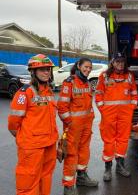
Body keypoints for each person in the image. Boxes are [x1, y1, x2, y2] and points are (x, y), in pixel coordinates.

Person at [8, 54, 58, 195]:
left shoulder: (48, 92)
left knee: (45, 178)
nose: (46, 72)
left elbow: (50, 119)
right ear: (33, 72)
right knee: (28, 183)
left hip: (49, 144)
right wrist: (26, 138)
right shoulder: (25, 93)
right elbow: (13, 124)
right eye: (42, 69)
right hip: (32, 147)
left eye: (48, 69)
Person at [57, 58, 98, 195]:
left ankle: (81, 177)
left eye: (90, 68)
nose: (88, 70)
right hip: (73, 126)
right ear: (79, 66)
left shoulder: (87, 83)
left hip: (86, 125)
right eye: (86, 67)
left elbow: (88, 105)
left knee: (84, 150)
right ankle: (68, 185)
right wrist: (70, 123)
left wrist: (91, 118)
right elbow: (62, 108)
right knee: (71, 153)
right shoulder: (69, 82)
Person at [95, 52, 138, 182]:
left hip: (125, 115)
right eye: (117, 61)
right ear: (112, 62)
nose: (120, 64)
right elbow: (98, 94)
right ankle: (108, 168)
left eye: (122, 62)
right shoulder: (104, 76)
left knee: (123, 140)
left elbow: (134, 94)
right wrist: (103, 110)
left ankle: (120, 166)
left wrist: (131, 108)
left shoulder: (129, 76)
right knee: (108, 141)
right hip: (109, 115)